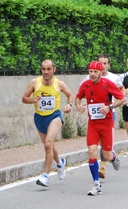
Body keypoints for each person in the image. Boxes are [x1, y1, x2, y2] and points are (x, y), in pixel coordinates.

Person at [75, 61, 126, 196]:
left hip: (106, 123)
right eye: (90, 71)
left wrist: (109, 107)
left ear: (101, 72)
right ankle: (96, 185)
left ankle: (114, 157)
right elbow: (78, 97)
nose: (92, 74)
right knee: (92, 152)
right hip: (93, 124)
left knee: (107, 154)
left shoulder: (108, 84)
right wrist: (78, 105)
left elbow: (122, 99)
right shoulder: (85, 85)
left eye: (95, 72)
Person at [22, 59, 74, 188]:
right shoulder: (35, 83)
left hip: (54, 116)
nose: (46, 72)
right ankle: (60, 162)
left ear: (54, 69)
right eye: (43, 69)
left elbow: (69, 94)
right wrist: (33, 100)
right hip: (39, 117)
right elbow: (24, 99)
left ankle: (45, 176)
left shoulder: (59, 84)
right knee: (49, 145)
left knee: (48, 144)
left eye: (49, 69)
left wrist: (69, 104)